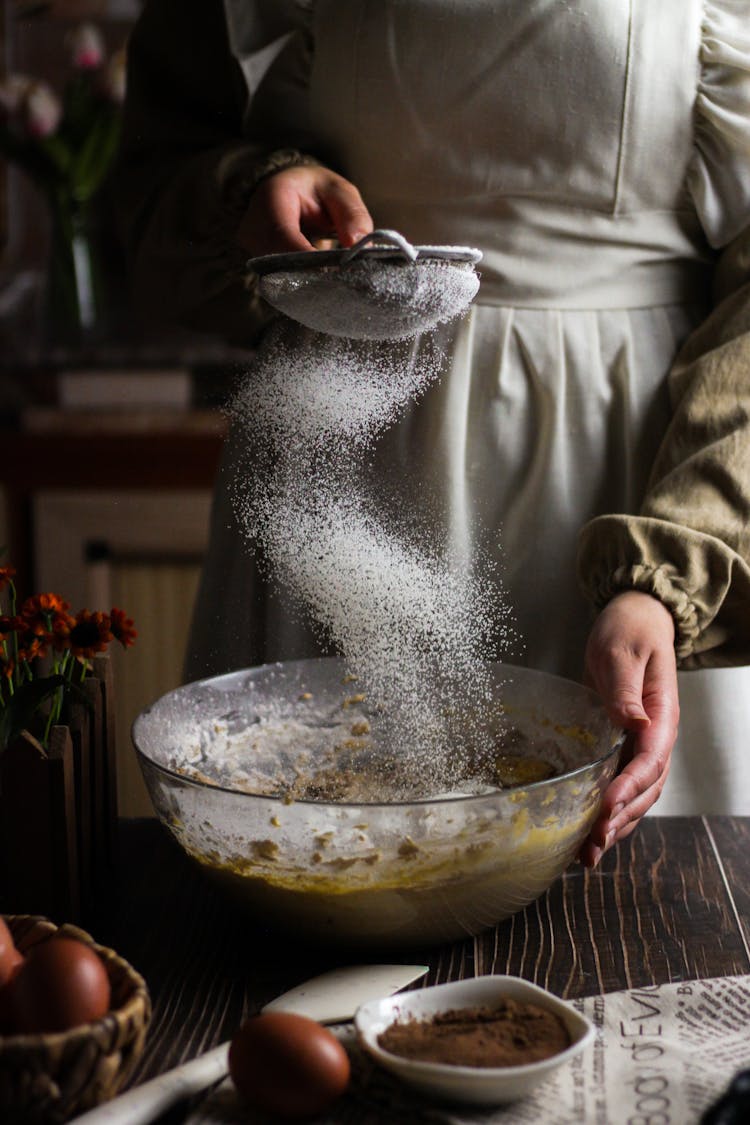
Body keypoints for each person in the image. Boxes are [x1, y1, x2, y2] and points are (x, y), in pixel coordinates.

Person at [115, 0, 750, 866]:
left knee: (628, 923)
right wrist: (251, 195)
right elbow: (147, 193)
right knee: (314, 890)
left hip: (633, 496)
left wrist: (669, 571)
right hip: (332, 481)